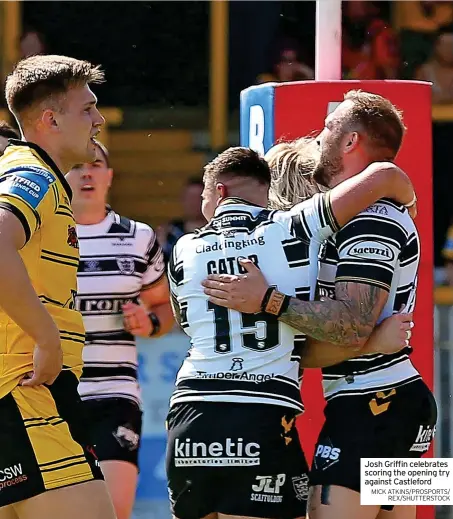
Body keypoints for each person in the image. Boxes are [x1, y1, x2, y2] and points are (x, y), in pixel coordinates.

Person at [201, 91, 437, 519]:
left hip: (376, 402)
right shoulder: (364, 212)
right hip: (392, 399)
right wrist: (372, 343)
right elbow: (357, 334)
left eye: (329, 129)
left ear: (350, 142)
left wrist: (268, 300)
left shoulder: (372, 217)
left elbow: (349, 326)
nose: (319, 138)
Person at [0, 55, 116, 519]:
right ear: (50, 119)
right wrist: (47, 336)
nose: (100, 120)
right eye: (87, 109)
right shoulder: (33, 176)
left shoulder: (24, 171)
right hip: (27, 396)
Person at [66, 140, 174, 519]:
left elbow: (165, 306)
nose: (86, 173)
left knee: (113, 511)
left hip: (114, 393)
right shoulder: (37, 236)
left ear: (110, 175)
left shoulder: (138, 237)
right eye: (76, 166)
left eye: (95, 164)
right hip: (53, 393)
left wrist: (151, 322)